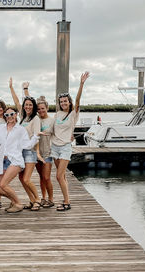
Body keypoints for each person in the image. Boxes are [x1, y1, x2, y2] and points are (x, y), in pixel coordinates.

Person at [0, 107, 40, 213]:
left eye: (11, 114)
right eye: (7, 115)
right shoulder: (1, 127)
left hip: (15, 160)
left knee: (3, 185)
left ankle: (18, 203)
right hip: (2, 161)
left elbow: (27, 145)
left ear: (16, 115)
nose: (9, 117)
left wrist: (35, 137)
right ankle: (14, 201)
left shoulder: (20, 129)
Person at [50, 72, 90, 211]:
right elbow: (53, 129)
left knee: (59, 176)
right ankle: (66, 199)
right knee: (63, 177)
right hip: (54, 147)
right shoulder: (57, 114)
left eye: (65, 101)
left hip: (65, 147)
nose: (63, 103)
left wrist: (81, 84)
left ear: (69, 102)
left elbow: (78, 101)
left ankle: (67, 203)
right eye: (61, 102)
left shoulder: (73, 114)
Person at [9, 78, 42, 211]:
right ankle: (32, 200)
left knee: (27, 179)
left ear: (33, 107)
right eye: (26, 105)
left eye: (30, 105)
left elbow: (36, 137)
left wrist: (26, 90)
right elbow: (17, 101)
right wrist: (11, 87)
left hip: (30, 152)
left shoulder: (35, 119)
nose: (27, 107)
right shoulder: (23, 116)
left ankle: (38, 200)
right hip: (20, 152)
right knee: (22, 179)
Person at [35, 96, 55, 208]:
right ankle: (43, 198)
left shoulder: (52, 121)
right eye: (39, 109)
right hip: (37, 153)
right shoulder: (36, 119)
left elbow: (58, 134)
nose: (41, 111)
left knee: (46, 177)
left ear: (47, 108)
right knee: (41, 177)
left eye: (43, 108)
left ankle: (51, 199)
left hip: (48, 153)